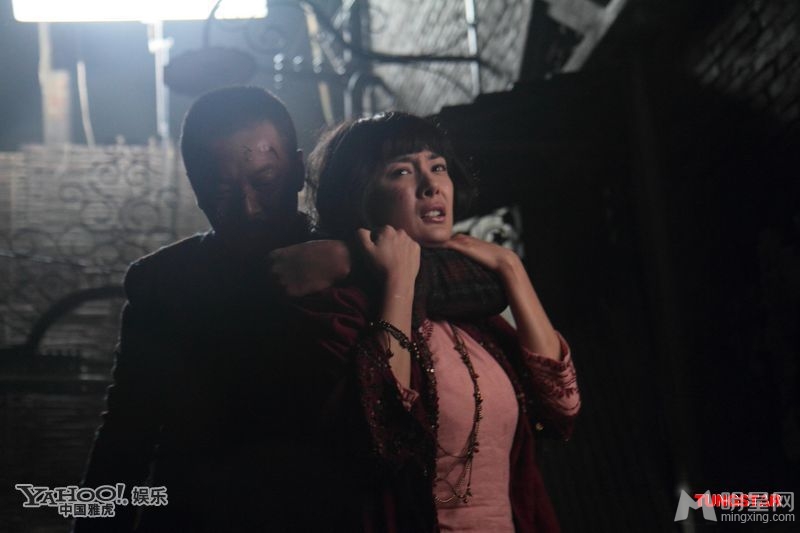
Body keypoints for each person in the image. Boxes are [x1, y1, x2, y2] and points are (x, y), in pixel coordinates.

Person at [74, 88, 508, 533]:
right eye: (220, 191)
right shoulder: (165, 282)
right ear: (195, 185)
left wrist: (349, 259)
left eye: (264, 182)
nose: (248, 207)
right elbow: (125, 435)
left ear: (299, 170)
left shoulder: (349, 247)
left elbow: (482, 284)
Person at [291, 112, 581, 532]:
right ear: (363, 194)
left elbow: (562, 408)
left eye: (438, 167)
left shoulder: (472, 315)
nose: (431, 185)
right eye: (402, 171)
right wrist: (398, 278)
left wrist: (511, 268)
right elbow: (386, 435)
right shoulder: (341, 310)